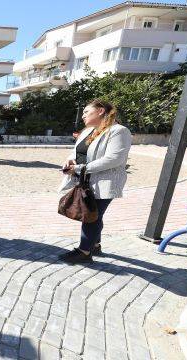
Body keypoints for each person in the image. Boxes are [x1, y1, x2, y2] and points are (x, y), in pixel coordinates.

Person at [58, 99, 132, 264]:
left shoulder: (118, 131)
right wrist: (70, 161)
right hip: (85, 180)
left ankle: (84, 252)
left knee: (90, 216)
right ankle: (95, 245)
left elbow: (114, 159)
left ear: (100, 111)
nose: (82, 115)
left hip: (104, 182)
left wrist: (79, 168)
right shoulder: (87, 131)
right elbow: (76, 151)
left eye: (86, 112)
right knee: (94, 214)